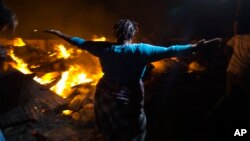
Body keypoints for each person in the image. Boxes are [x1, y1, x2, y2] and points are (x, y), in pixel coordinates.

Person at [45, 19, 206, 141]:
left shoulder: (104, 48)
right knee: (135, 130)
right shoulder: (141, 50)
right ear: (133, 33)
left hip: (104, 94)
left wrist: (59, 33)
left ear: (115, 32)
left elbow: (79, 42)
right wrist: (195, 47)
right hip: (128, 97)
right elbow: (171, 50)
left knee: (110, 128)